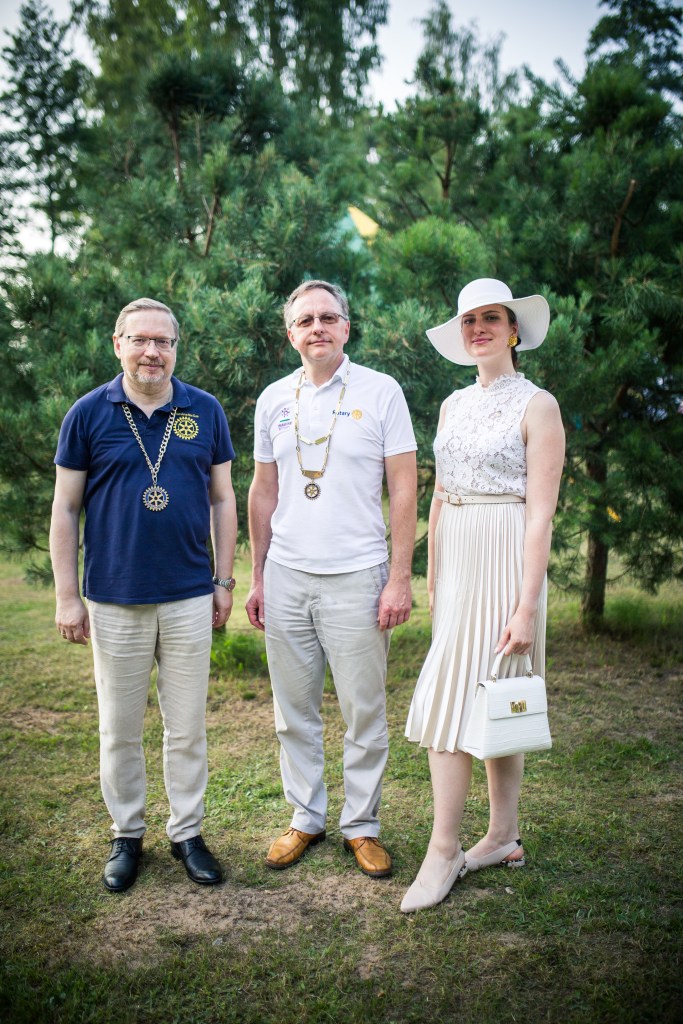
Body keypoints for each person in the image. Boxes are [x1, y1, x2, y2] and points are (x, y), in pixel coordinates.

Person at [49, 297, 237, 893]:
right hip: (114, 597)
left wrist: (224, 580)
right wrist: (67, 596)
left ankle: (188, 833)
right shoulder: (88, 414)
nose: (152, 352)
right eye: (140, 340)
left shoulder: (204, 410)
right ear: (119, 345)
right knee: (119, 728)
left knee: (187, 727)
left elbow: (223, 498)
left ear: (176, 348)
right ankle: (127, 833)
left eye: (164, 342)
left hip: (188, 594)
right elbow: (65, 508)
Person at [401, 278, 565, 913]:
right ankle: (502, 837)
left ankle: (447, 849)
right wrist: (434, 575)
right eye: (469, 320)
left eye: (491, 318)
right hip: (458, 556)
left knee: (480, 696)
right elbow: (441, 494)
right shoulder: (451, 404)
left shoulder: (539, 405)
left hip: (506, 553)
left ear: (513, 329)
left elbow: (540, 515)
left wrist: (526, 606)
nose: (479, 329)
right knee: (479, 693)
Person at [246, 279, 417, 879]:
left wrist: (400, 577)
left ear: (346, 326)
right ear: (290, 333)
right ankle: (306, 816)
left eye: (328, 317)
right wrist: (257, 576)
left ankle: (362, 825)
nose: (317, 327)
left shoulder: (382, 390)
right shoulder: (273, 398)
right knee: (293, 711)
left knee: (363, 712)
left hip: (358, 576)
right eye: (305, 320)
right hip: (287, 575)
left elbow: (403, 488)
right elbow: (263, 491)